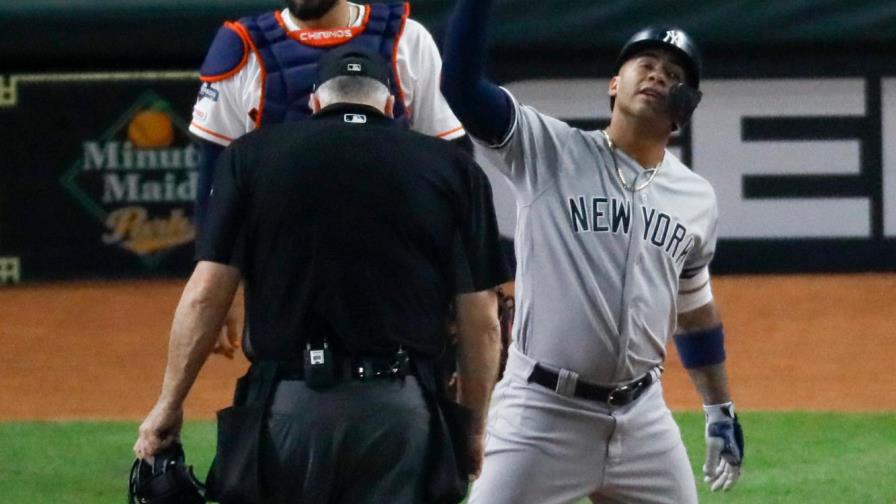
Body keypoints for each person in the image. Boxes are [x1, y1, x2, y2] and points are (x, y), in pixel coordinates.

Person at [135, 47, 510, 503]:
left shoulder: (250, 157)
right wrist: (472, 428)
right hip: (402, 412)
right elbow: (483, 320)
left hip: (287, 410)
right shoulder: (453, 168)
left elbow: (204, 295)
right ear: (390, 105)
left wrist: (168, 405)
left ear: (315, 101)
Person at [440, 1, 745, 502]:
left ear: (685, 107)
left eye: (673, 75)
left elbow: (694, 313)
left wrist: (719, 408)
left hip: (642, 419)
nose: (658, 75)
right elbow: (461, 88)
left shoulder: (697, 199)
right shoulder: (548, 151)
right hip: (542, 413)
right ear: (614, 84)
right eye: (645, 64)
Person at [189, 0, 468, 356]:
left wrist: (461, 282)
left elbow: (447, 167)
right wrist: (214, 287)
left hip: (396, 264)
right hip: (285, 271)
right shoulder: (244, 48)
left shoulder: (406, 39)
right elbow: (215, 182)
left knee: (410, 374)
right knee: (283, 375)